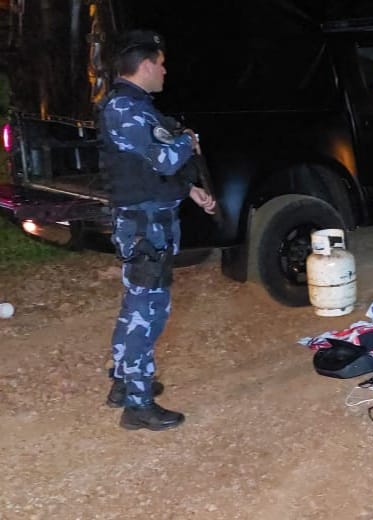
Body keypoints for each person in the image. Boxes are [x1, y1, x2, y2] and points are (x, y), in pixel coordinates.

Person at [99, 30, 217, 430]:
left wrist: (189, 190)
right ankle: (138, 405)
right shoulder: (125, 109)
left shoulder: (136, 106)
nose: (165, 71)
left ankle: (124, 383)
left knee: (136, 305)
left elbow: (146, 169)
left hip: (147, 220)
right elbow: (165, 158)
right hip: (144, 225)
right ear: (146, 64)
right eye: (161, 64)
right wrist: (188, 140)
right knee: (148, 311)